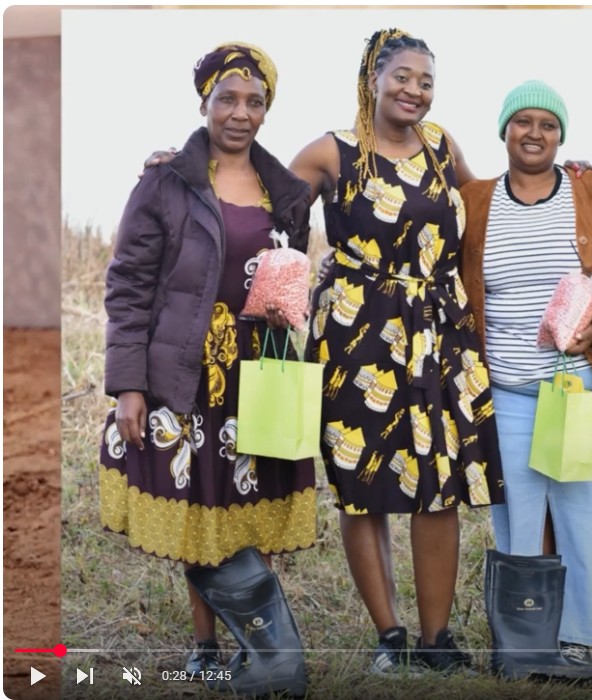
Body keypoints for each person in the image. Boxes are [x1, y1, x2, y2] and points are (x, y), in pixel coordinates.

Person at [285, 28, 506, 674]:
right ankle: (391, 637)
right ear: (373, 78)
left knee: (436, 483)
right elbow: (267, 206)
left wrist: (559, 178)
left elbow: (490, 204)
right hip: (357, 333)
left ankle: (437, 642)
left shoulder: (441, 148)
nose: (414, 90)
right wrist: (185, 170)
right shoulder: (333, 151)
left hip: (440, 331)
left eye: (426, 81)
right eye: (402, 77)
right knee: (366, 483)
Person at [99, 42, 313, 696]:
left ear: (266, 110)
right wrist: (129, 385)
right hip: (185, 372)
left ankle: (266, 650)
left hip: (261, 374)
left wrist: (290, 306)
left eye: (254, 101)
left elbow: (294, 276)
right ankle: (204, 647)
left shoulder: (289, 195)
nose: (240, 112)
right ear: (205, 103)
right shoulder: (166, 183)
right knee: (198, 507)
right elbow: (129, 285)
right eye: (228, 98)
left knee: (250, 504)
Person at [458, 79, 592, 683]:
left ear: (561, 134)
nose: (534, 133)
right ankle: (520, 638)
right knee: (516, 513)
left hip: (580, 385)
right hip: (508, 387)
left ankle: (578, 640)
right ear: (504, 132)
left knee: (584, 510)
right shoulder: (474, 200)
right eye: (522, 122)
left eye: (546, 123)